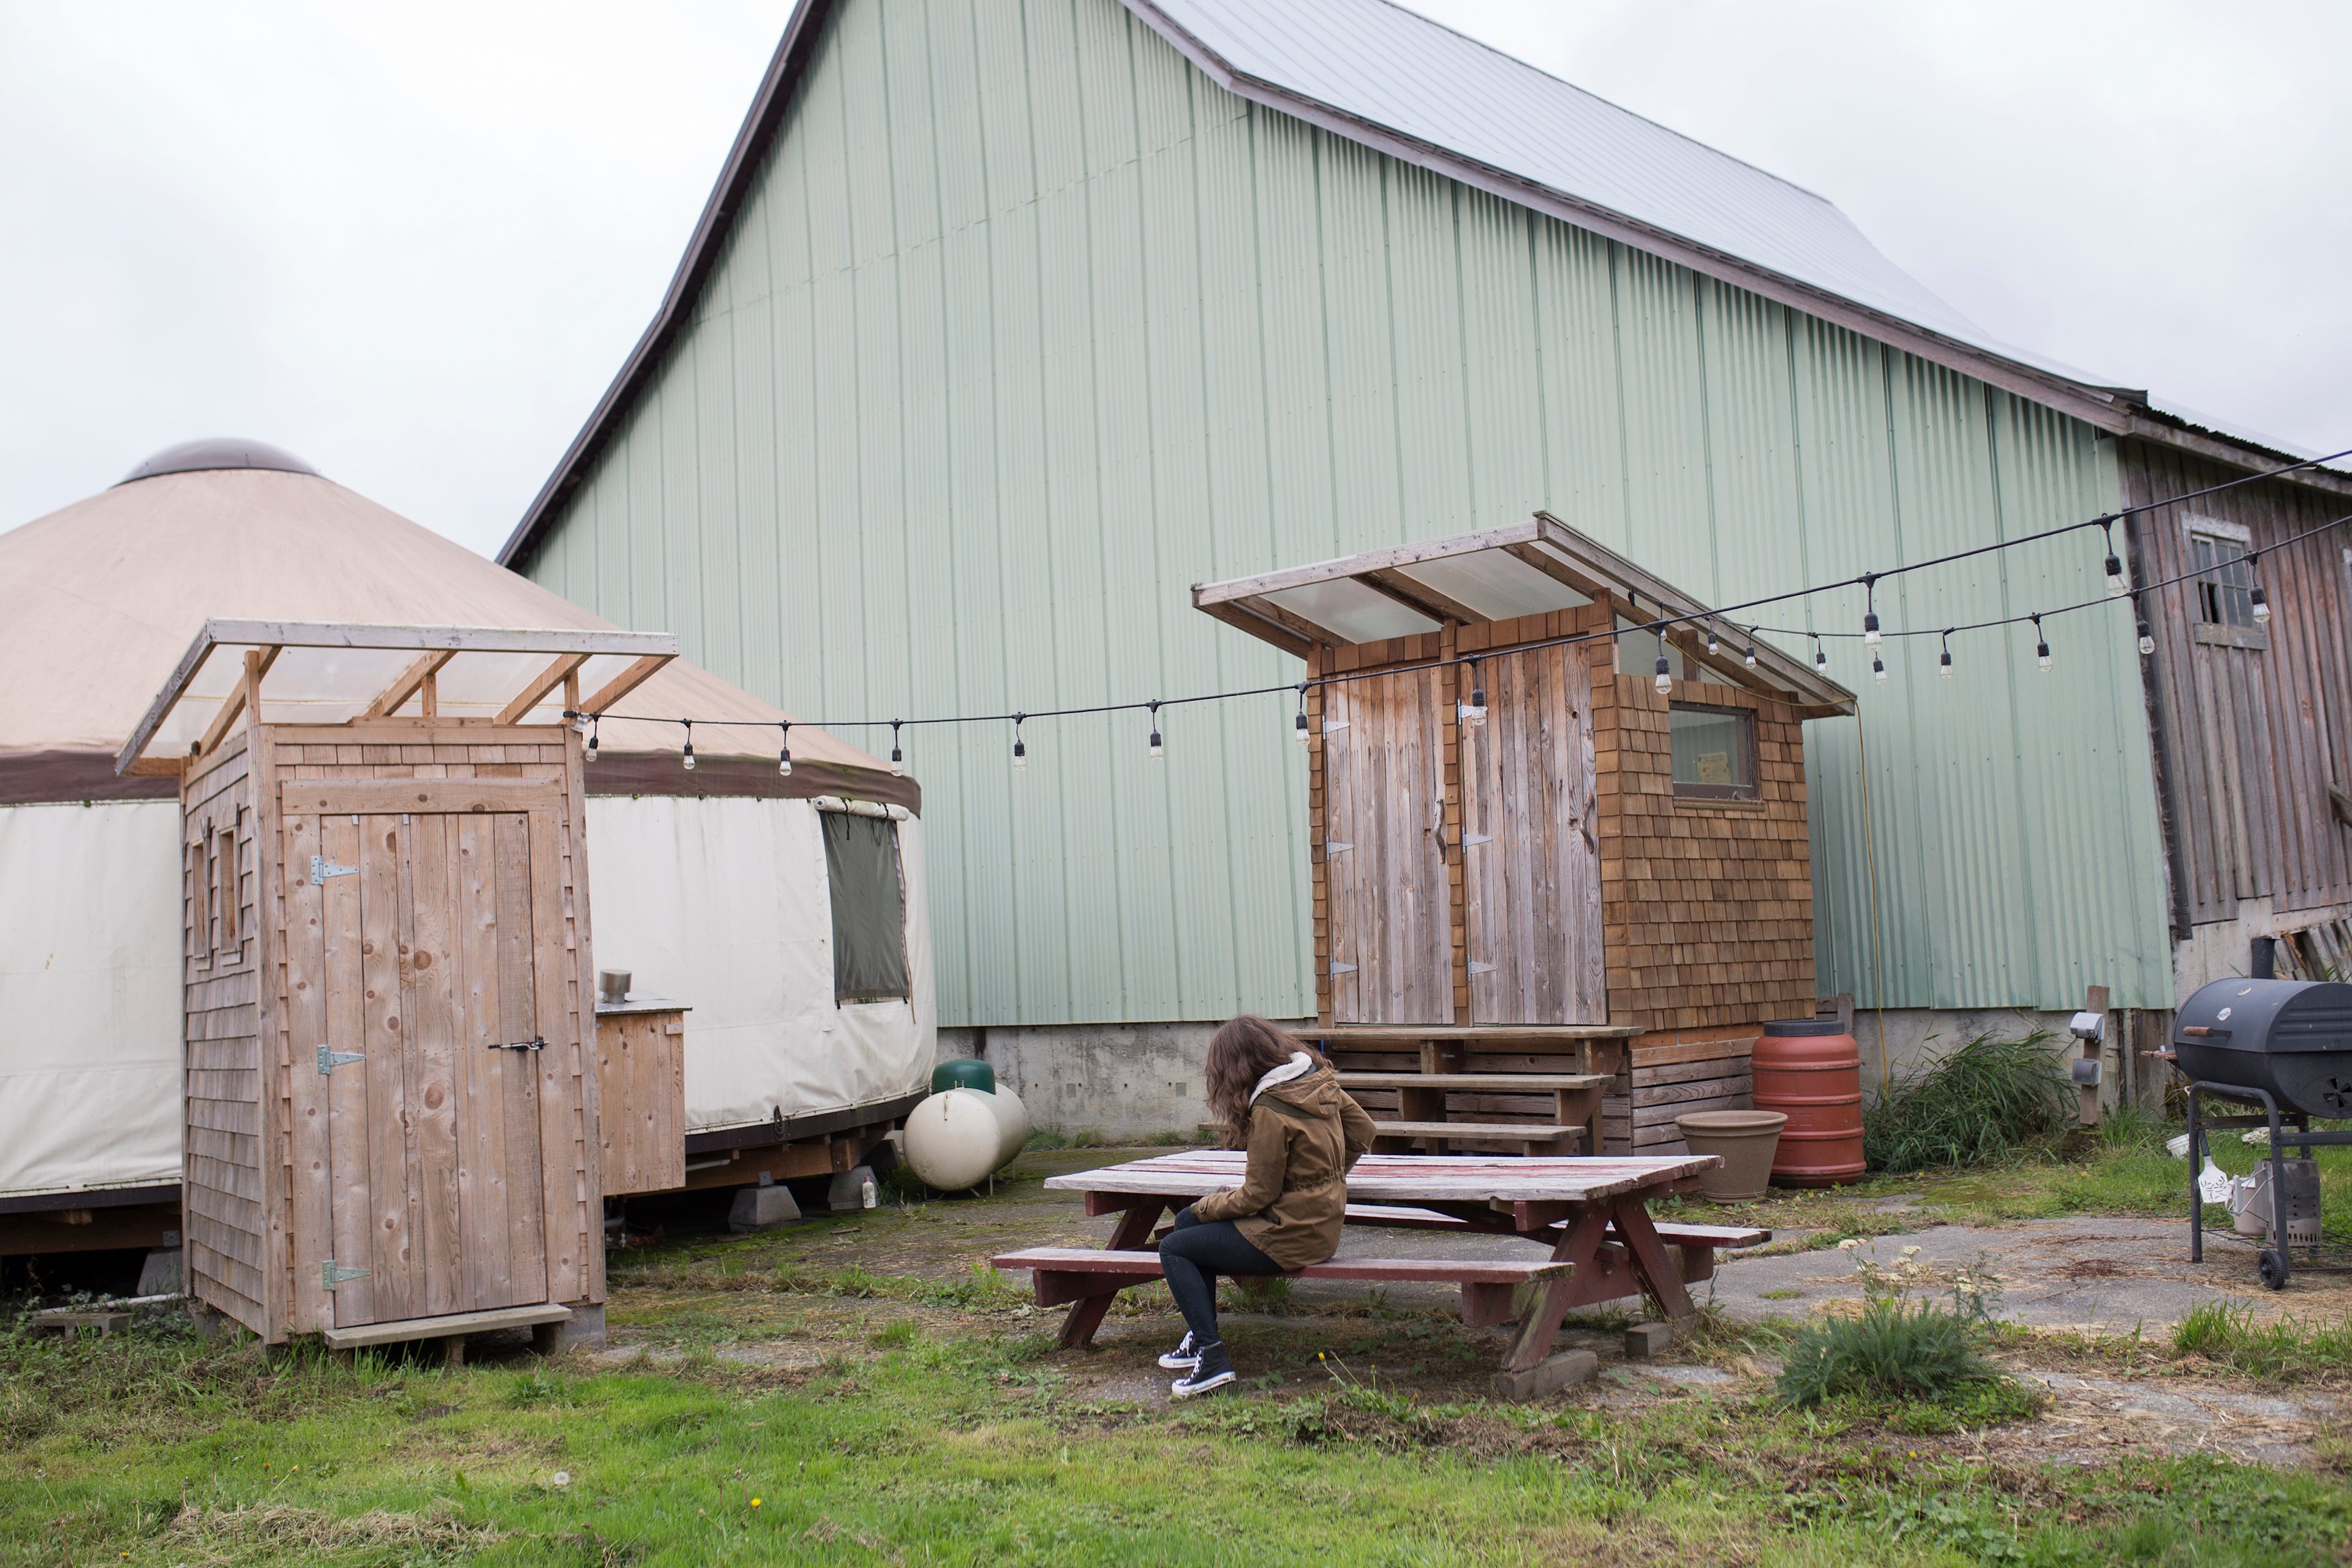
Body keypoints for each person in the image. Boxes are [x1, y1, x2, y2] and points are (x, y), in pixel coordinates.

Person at [1157, 1016, 1376, 1396]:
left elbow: (1258, 1195)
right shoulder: (1316, 1081)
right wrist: (1330, 1179)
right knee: (1188, 1230)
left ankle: (1212, 1359)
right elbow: (1364, 1131)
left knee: (1175, 1244)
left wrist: (1205, 1206)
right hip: (1322, 1226)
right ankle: (1200, 1336)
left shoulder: (1270, 1109)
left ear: (1237, 1068)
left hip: (1288, 1235)